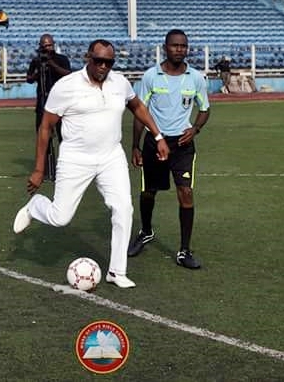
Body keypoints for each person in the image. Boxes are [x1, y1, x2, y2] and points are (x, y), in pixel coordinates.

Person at [13, 39, 170, 289]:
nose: (103, 66)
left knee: (123, 209)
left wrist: (158, 135)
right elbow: (45, 127)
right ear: (88, 57)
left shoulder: (120, 82)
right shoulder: (66, 86)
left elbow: (137, 106)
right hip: (76, 159)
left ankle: (117, 271)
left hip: (111, 157)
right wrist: (39, 169)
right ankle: (35, 207)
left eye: (109, 62)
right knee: (60, 217)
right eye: (99, 61)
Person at [128, 29, 210, 270]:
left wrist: (195, 129)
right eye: (174, 45)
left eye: (183, 46)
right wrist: (135, 146)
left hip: (183, 146)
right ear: (165, 47)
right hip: (155, 143)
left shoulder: (195, 78)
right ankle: (145, 231)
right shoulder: (151, 76)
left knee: (185, 193)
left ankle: (184, 250)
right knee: (148, 192)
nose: (179, 49)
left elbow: (204, 109)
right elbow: (139, 113)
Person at [26, 34, 71, 180]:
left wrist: (52, 65)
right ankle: (44, 170)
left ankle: (66, 168)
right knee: (43, 137)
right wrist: (37, 73)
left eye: (50, 45)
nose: (47, 48)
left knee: (64, 138)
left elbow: (68, 75)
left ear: (54, 45)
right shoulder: (36, 61)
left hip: (61, 106)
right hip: (42, 105)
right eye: (44, 46)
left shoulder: (61, 59)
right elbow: (29, 79)